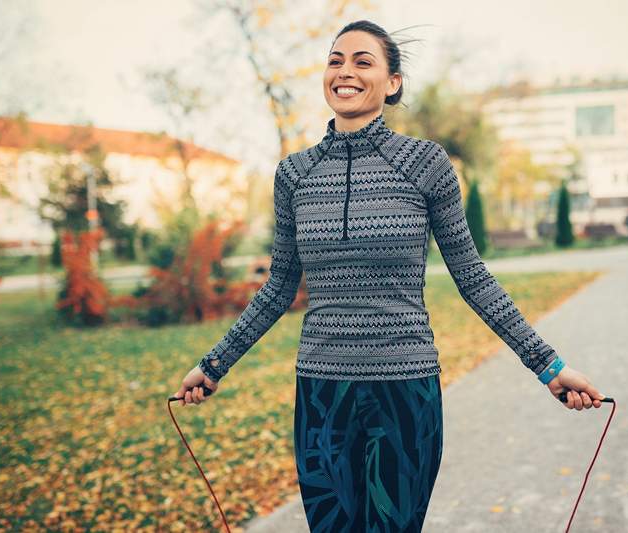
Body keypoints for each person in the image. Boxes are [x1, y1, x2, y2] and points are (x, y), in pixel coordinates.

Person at [173, 19, 604, 533]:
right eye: (335, 61)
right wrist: (215, 363)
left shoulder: (424, 164)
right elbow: (278, 288)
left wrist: (549, 366)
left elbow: (473, 277)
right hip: (322, 392)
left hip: (405, 388)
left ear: (392, 82)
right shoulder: (295, 174)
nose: (345, 72)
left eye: (362, 61)